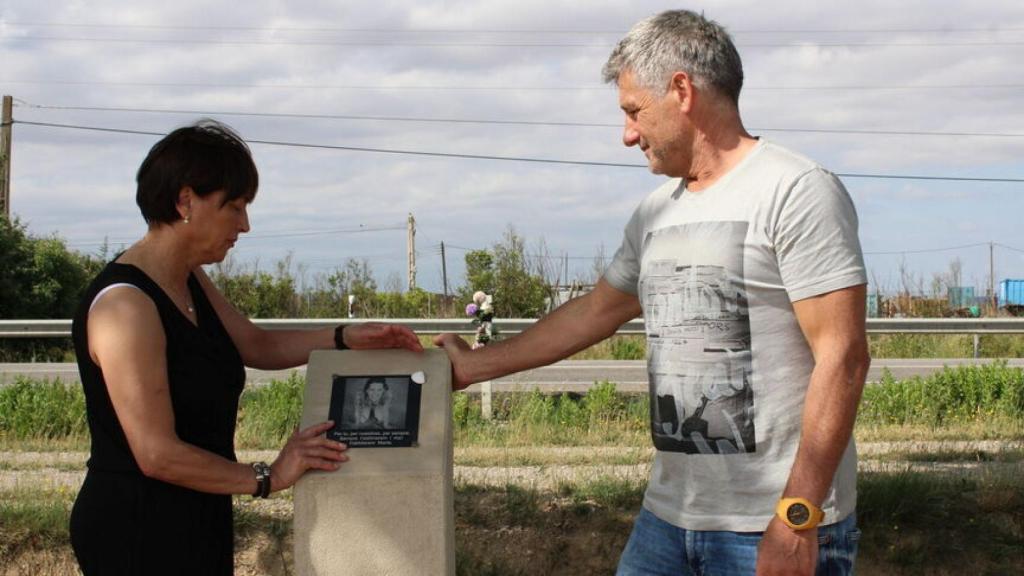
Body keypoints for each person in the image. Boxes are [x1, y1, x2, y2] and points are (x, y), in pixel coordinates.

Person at [434, 10, 870, 576]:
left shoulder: (796, 191)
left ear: (682, 90)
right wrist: (474, 367)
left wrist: (798, 514)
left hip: (770, 524)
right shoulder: (656, 212)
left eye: (634, 111)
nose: (628, 134)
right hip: (667, 521)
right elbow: (593, 313)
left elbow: (844, 356)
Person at [69, 120, 424, 575]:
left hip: (196, 514)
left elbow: (255, 345)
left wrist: (344, 338)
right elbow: (156, 453)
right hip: (137, 528)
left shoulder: (187, 277)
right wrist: (268, 477)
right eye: (233, 207)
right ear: (185, 201)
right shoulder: (126, 306)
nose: (246, 225)